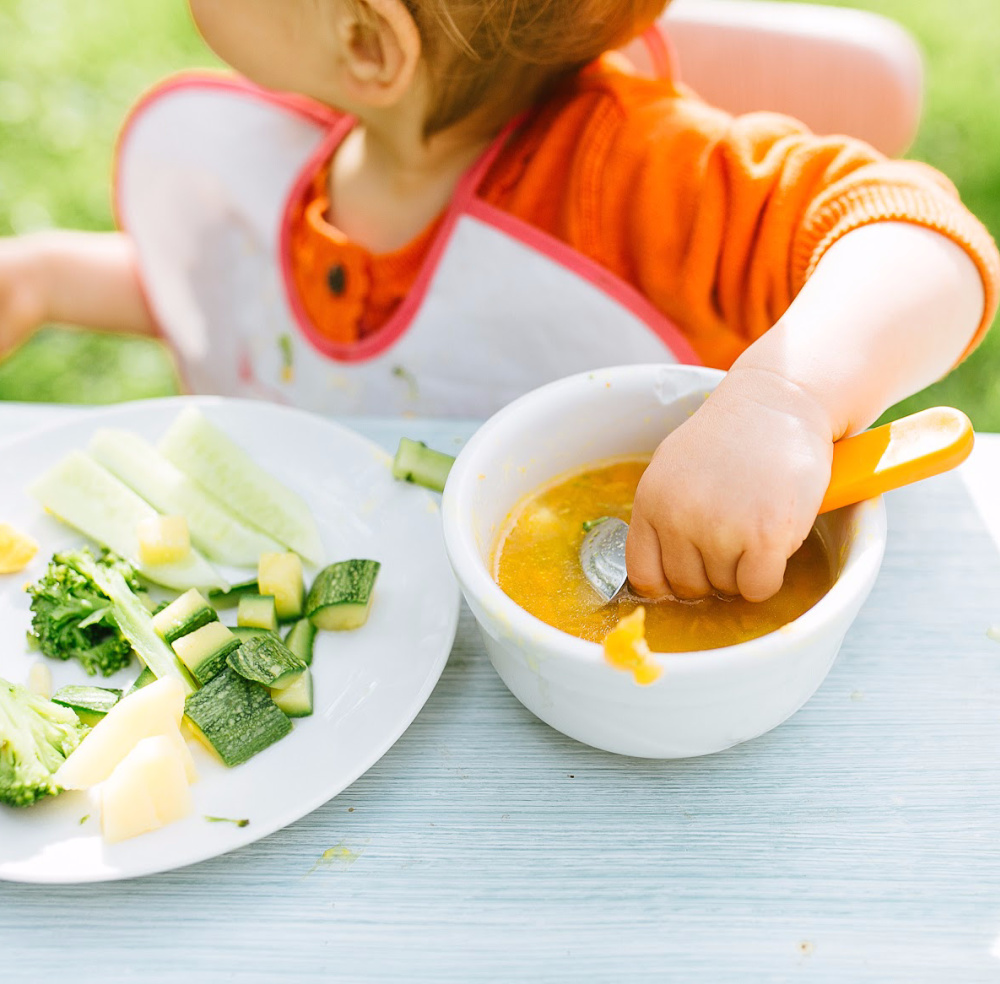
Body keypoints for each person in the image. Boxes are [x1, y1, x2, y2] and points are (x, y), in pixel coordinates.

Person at [0, 0, 997, 605]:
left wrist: (783, 401)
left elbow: (921, 236)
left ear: (367, 43)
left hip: (621, 672)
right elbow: (273, 311)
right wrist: (44, 279)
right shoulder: (327, 136)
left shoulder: (632, 178)